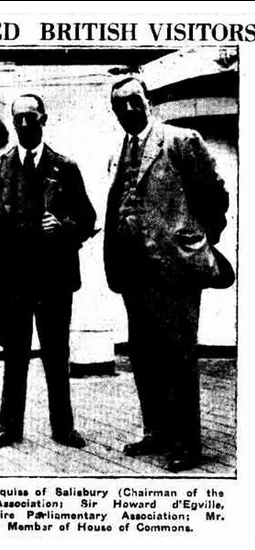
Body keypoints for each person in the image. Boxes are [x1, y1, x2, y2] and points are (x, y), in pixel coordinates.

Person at [103, 75, 231, 472]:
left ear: (148, 102)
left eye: (134, 102)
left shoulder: (180, 140)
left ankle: (187, 445)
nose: (128, 110)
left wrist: (193, 240)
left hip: (174, 274)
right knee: (144, 356)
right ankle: (156, 432)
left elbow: (215, 196)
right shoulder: (119, 151)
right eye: (119, 106)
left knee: (178, 357)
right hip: (134, 275)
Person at [0, 94, 96, 449]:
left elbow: (88, 219)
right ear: (13, 123)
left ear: (44, 118)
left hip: (54, 280)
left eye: (31, 118)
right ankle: (8, 427)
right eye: (18, 120)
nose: (25, 125)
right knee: (14, 356)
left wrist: (64, 225)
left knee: (57, 355)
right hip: (11, 280)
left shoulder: (65, 167)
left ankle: (63, 427)